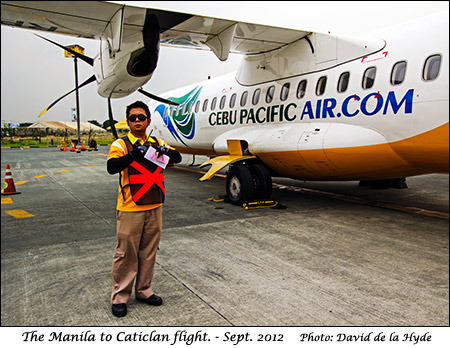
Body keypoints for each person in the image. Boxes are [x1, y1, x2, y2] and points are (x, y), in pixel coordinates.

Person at [106, 100, 181, 317]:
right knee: (126, 253)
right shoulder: (120, 145)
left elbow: (177, 158)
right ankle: (120, 296)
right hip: (130, 207)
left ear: (148, 120)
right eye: (133, 118)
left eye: (141, 117)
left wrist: (164, 149)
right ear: (127, 122)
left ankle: (144, 290)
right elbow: (112, 167)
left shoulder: (157, 141)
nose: (137, 121)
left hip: (155, 204)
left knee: (149, 251)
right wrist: (133, 155)